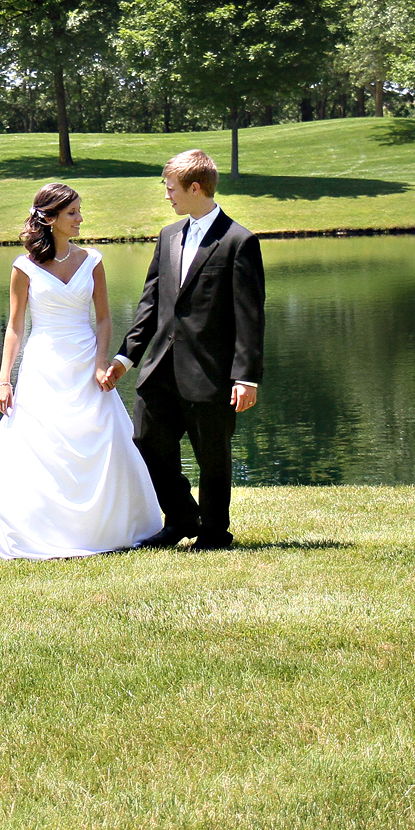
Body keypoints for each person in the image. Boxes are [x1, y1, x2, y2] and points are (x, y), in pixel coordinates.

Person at [0, 183, 163, 559]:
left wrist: (101, 361)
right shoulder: (23, 267)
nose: (80, 218)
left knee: (99, 440)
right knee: (39, 447)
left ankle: (108, 529)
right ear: (49, 217)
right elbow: (15, 326)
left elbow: (105, 319)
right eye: (72, 212)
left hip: (85, 362)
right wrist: (4, 379)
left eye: (79, 211)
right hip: (43, 365)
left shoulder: (92, 260)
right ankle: (38, 532)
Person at [98, 149, 263, 550]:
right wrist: (125, 357)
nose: (167, 196)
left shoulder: (239, 241)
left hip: (212, 373)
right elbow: (150, 304)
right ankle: (182, 518)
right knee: (146, 442)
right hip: (159, 369)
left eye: (171, 188)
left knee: (213, 457)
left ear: (195, 187)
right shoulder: (169, 235)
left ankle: (214, 532)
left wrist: (246, 376)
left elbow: (250, 317)